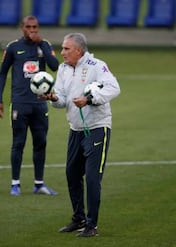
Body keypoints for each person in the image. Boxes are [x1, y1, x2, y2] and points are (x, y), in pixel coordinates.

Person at [42, 33, 120, 237]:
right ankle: (79, 219)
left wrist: (90, 99)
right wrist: (52, 97)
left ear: (78, 50)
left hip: (97, 128)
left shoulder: (97, 65)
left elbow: (114, 88)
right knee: (72, 174)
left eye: (66, 48)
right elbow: (61, 100)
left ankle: (92, 225)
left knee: (93, 178)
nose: (62, 52)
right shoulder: (63, 68)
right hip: (75, 130)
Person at [0, 15, 59, 196]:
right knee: (18, 143)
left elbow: (55, 66)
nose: (32, 30)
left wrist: (42, 45)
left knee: (41, 143)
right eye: (29, 27)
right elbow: (2, 74)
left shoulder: (44, 45)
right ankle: (15, 183)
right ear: (22, 28)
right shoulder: (13, 47)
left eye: (35, 27)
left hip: (39, 104)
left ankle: (39, 184)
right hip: (20, 103)